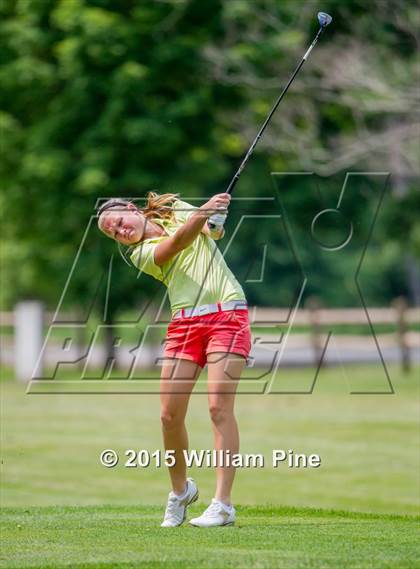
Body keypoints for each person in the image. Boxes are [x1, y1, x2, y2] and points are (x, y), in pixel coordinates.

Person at [97, 191, 251, 527]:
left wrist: (216, 218)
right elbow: (178, 243)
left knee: (218, 407)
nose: (121, 232)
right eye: (114, 233)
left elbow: (211, 231)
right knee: (169, 415)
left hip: (228, 314)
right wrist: (205, 214)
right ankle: (181, 492)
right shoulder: (140, 254)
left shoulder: (175, 208)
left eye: (120, 223)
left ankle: (222, 505)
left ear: (131, 209)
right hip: (184, 323)